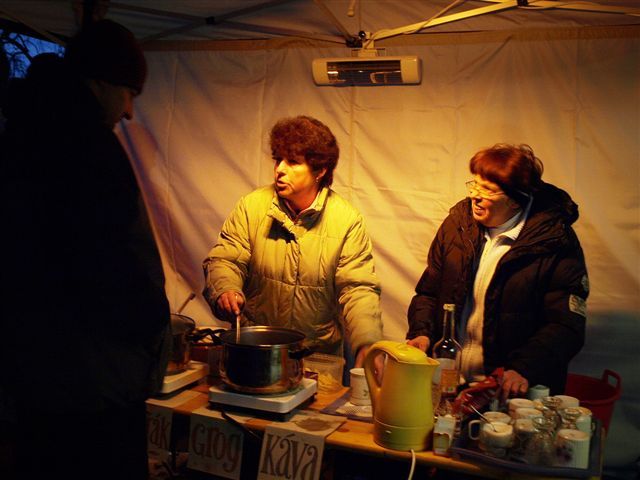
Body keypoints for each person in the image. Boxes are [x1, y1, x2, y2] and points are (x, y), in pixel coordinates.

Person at [0, 20, 169, 479]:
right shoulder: (84, 146)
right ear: (99, 82)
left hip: (41, 376)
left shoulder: (24, 133)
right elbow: (105, 261)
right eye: (129, 93)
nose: (130, 111)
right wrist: (149, 322)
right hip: (92, 379)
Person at [407, 144, 588, 401]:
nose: (475, 196)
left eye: (488, 190)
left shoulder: (555, 242)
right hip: (449, 383)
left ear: (515, 200)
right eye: (474, 184)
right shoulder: (457, 226)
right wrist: (421, 333)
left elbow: (566, 325)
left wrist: (523, 368)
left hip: (507, 392)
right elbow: (428, 292)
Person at [203, 115, 383, 367]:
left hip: (316, 359)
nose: (280, 169)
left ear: (320, 170)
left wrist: (368, 343)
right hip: (255, 353)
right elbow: (226, 259)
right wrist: (226, 289)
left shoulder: (346, 220)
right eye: (278, 159)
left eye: (293, 162)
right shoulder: (252, 207)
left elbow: (357, 288)